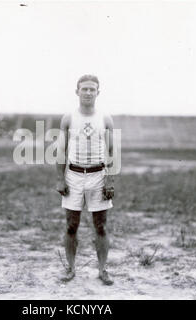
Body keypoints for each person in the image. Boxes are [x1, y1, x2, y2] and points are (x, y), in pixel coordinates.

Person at [56, 74, 116, 285]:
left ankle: (103, 270)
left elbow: (111, 151)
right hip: (73, 176)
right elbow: (61, 151)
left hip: (98, 176)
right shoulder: (68, 118)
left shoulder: (105, 118)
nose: (88, 93)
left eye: (92, 89)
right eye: (84, 89)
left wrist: (109, 180)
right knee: (71, 226)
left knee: (101, 226)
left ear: (98, 92)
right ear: (77, 91)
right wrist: (60, 178)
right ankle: (71, 268)